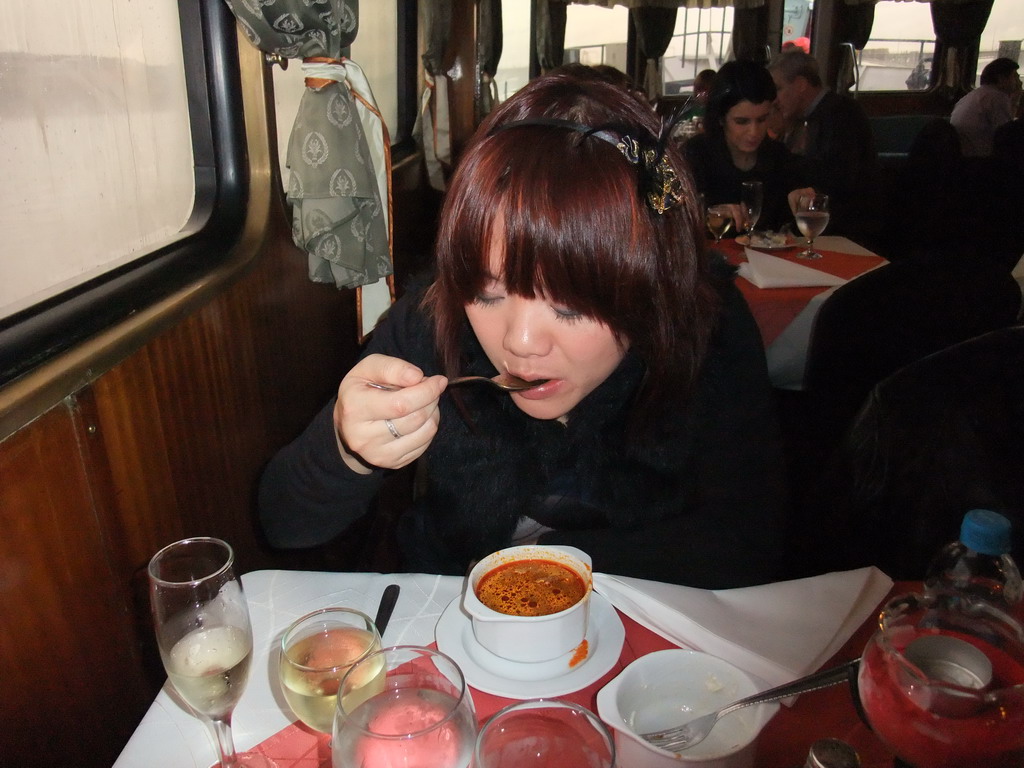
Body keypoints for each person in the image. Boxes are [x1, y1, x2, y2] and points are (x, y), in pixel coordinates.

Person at [258, 68, 788, 588]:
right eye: (487, 292)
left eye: (571, 304)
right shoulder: (431, 319)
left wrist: (547, 571)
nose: (520, 342)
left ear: (652, 284)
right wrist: (345, 448)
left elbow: (749, 539)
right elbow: (285, 524)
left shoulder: (706, 325)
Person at [684, 61, 811, 233]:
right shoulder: (694, 156)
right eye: (742, 122)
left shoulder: (779, 157)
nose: (754, 132)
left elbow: (795, 233)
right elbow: (675, 225)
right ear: (720, 118)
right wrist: (711, 216)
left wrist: (801, 204)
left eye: (762, 119)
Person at [767, 49, 880, 242]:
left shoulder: (840, 115)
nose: (774, 100)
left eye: (778, 88)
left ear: (801, 85)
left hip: (846, 229)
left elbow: (835, 180)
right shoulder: (803, 118)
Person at [950, 57, 1022, 157]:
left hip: (963, 155)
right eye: (1015, 77)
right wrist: (1016, 99)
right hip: (980, 159)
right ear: (1001, 78)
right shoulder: (997, 97)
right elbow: (1007, 135)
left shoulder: (975, 95)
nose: (1019, 82)